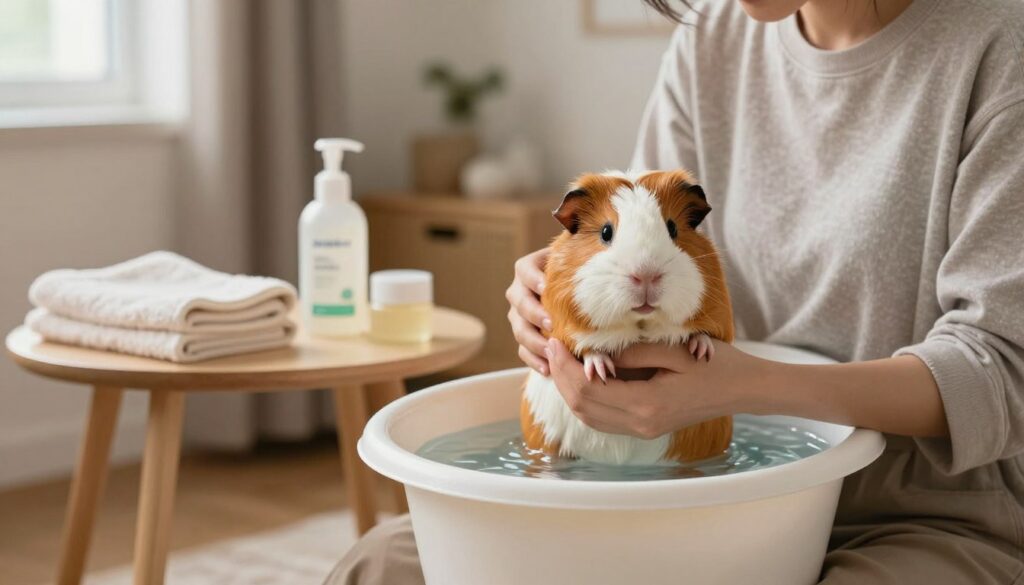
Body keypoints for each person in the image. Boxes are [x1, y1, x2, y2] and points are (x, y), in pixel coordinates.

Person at [326, 0, 1024, 582]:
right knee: (382, 564)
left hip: (916, 509)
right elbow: (637, 236)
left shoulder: (999, 45)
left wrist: (743, 386)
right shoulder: (713, 36)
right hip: (691, 483)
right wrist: (551, 288)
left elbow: (1002, 372)